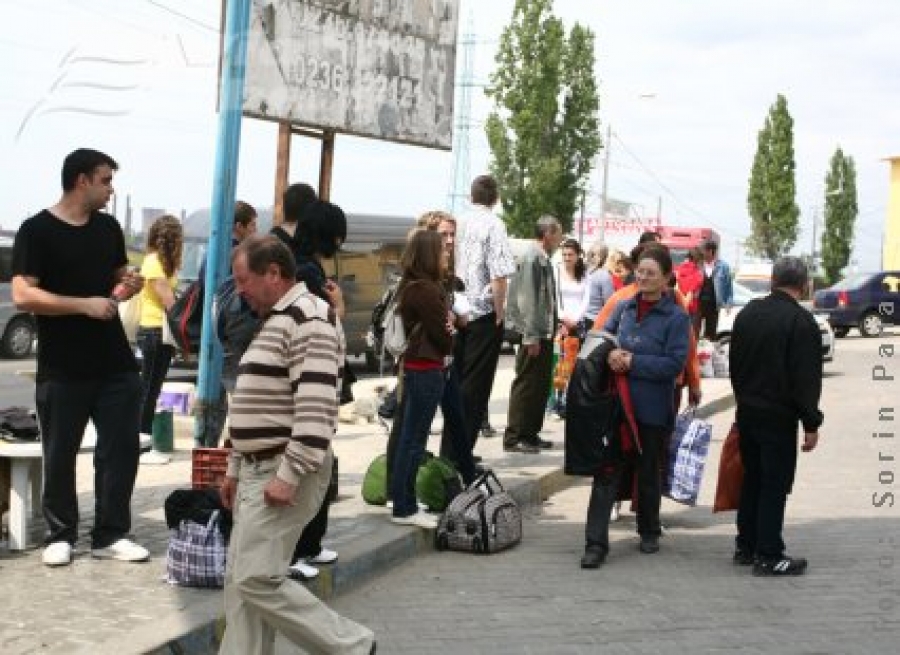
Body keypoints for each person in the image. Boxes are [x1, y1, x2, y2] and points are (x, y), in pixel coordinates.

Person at [219, 235, 375, 654]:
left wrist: (288, 474)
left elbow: (317, 407)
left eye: (243, 279)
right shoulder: (277, 318)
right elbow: (253, 404)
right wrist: (234, 467)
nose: (240, 290)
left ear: (273, 273)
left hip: (281, 469)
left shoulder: (310, 318)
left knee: (254, 579)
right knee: (242, 583)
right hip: (258, 469)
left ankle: (353, 645)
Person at [11, 148, 149, 566]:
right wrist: (83, 305)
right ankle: (61, 533)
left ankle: (110, 534)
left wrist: (128, 285)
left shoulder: (108, 228)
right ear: (82, 180)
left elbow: (116, 282)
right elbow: (22, 294)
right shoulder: (36, 230)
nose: (111, 189)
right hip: (62, 366)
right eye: (106, 180)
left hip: (115, 362)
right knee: (60, 451)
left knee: (121, 448)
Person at [581, 245, 690, 567]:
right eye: (639, 272)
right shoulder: (625, 307)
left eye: (651, 273)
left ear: (667, 278)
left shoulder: (676, 317)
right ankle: (595, 544)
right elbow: (602, 337)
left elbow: (674, 364)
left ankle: (649, 529)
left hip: (653, 408)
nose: (642, 278)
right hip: (617, 406)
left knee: (648, 472)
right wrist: (609, 354)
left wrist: (633, 362)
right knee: (606, 473)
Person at [729, 256, 823, 577]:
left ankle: (746, 546)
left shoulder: (747, 315)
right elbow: (805, 380)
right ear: (804, 285)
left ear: (772, 280)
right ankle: (769, 554)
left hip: (748, 411)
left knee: (752, 479)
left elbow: (735, 365)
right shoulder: (800, 322)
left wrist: (742, 400)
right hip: (778, 417)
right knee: (774, 484)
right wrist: (811, 422)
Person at [272, 195, 347, 582]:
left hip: (302, 381)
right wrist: (338, 305)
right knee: (311, 466)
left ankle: (310, 545)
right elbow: (325, 328)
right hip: (309, 384)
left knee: (319, 467)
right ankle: (299, 548)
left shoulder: (295, 263)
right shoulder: (309, 273)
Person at [390, 229, 477, 528]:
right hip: (427, 368)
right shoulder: (425, 290)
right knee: (414, 439)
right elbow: (444, 334)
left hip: (421, 367)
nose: (446, 256)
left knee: (410, 437)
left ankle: (403, 502)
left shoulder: (414, 286)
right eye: (441, 252)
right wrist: (450, 324)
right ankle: (404, 506)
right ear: (429, 255)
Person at [453, 175, 516, 455]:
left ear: (471, 196)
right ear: (496, 198)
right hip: (482, 313)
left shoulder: (459, 221)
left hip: (457, 309)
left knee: (458, 384)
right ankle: (462, 452)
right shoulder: (495, 224)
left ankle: (452, 450)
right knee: (476, 389)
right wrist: (500, 313)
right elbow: (499, 275)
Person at [503, 216, 563, 454]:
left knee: (539, 385)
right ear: (548, 233)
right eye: (558, 233)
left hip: (543, 331)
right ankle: (515, 435)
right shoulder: (531, 257)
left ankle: (530, 433)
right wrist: (531, 336)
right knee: (527, 383)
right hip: (534, 333)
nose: (560, 239)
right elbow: (527, 299)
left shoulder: (542, 258)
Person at [136, 214, 183, 448]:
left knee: (152, 389)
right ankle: (140, 438)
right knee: (148, 389)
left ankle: (142, 436)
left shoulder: (163, 264)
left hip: (159, 331)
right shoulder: (154, 262)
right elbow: (169, 300)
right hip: (154, 330)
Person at [696, 239, 733, 340]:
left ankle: (708, 353)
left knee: (710, 335)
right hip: (697, 304)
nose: (701, 252)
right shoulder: (697, 265)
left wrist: (728, 304)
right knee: (694, 332)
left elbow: (729, 286)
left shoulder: (723, 267)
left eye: (703, 250)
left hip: (713, 305)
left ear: (711, 251)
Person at [583, 241, 615, 330]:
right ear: (604, 257)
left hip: (580, 319)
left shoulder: (581, 272)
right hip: (594, 321)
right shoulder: (604, 275)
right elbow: (609, 303)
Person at [675, 247, 704, 335]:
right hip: (690, 309)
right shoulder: (697, 274)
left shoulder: (678, 270)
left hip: (676, 307)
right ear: (698, 260)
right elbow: (691, 295)